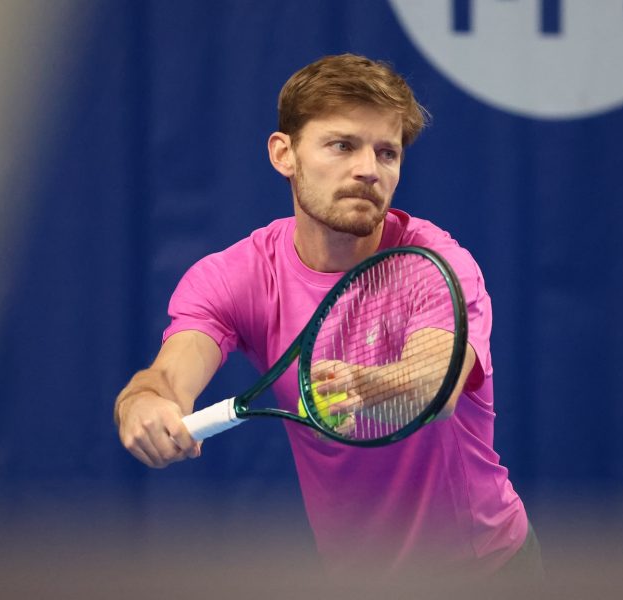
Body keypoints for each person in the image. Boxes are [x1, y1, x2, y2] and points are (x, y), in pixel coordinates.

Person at [113, 53, 540, 579]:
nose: (368, 169)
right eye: (342, 145)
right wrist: (144, 403)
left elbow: (438, 382)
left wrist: (363, 386)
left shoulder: (437, 263)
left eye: (387, 152)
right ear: (284, 154)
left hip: (484, 571)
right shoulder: (236, 277)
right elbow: (169, 376)